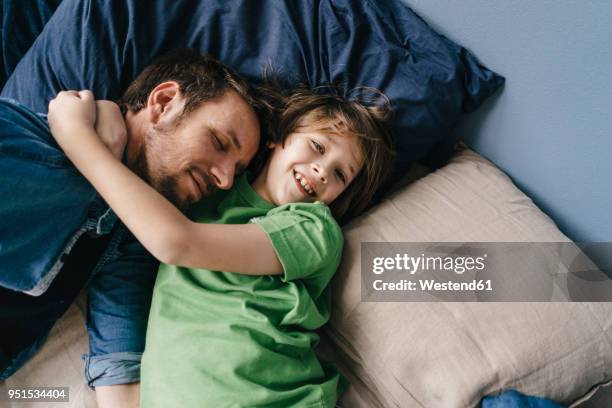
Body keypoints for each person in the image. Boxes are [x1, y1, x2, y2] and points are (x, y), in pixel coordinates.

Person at [46, 84, 395, 407]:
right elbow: (141, 190)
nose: (322, 172)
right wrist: (112, 112)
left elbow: (176, 242)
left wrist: (78, 138)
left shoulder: (314, 230)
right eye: (317, 147)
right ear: (279, 136)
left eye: (340, 175)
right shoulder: (206, 193)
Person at [0, 49, 267, 408]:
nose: (223, 179)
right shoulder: (19, 139)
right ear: (164, 101)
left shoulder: (128, 245)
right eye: (219, 143)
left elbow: (119, 365)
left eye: (235, 172)